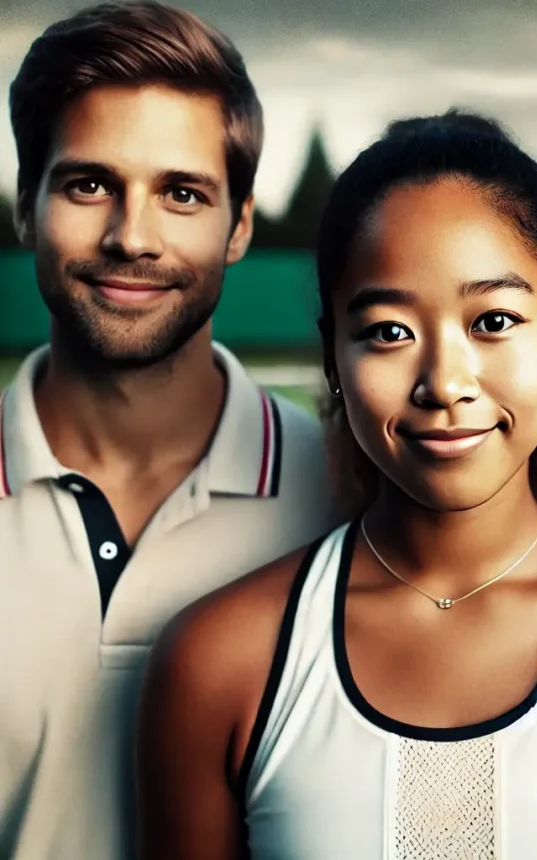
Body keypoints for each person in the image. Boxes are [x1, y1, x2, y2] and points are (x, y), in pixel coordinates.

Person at [136, 111, 537, 860]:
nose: (445, 383)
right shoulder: (218, 661)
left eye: (493, 319)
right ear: (333, 355)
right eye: (389, 331)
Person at [0, 4, 337, 858]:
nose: (131, 238)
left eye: (182, 194)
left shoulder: (349, 497)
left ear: (241, 226)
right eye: (87, 185)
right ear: (25, 208)